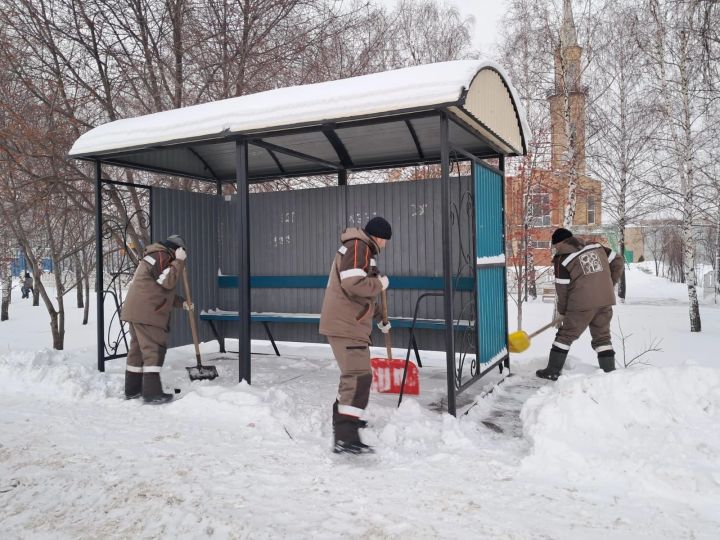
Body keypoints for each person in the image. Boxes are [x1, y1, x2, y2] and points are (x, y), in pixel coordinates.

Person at [319, 216, 392, 454]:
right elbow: (353, 284)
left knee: (355, 377)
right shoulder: (358, 246)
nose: (386, 245)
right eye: (386, 240)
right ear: (379, 237)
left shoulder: (362, 249)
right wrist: (379, 285)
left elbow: (363, 293)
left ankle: (347, 421)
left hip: (350, 323)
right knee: (358, 378)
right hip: (346, 325)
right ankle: (345, 436)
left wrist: (380, 317)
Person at [536, 228, 624, 381]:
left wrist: (562, 312)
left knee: (565, 336)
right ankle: (610, 374)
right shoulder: (596, 246)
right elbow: (618, 260)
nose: (555, 249)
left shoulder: (561, 259)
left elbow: (561, 290)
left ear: (560, 243)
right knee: (602, 337)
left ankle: (552, 370)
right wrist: (609, 283)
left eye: (555, 246)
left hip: (581, 305)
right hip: (605, 300)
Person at [120, 234, 191, 403]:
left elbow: (158, 290)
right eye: (182, 252)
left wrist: (182, 303)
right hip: (148, 314)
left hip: (137, 311)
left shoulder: (153, 256)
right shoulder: (163, 256)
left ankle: (132, 389)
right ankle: (152, 394)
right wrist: (179, 262)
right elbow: (167, 282)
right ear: (177, 249)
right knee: (154, 350)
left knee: (137, 351)